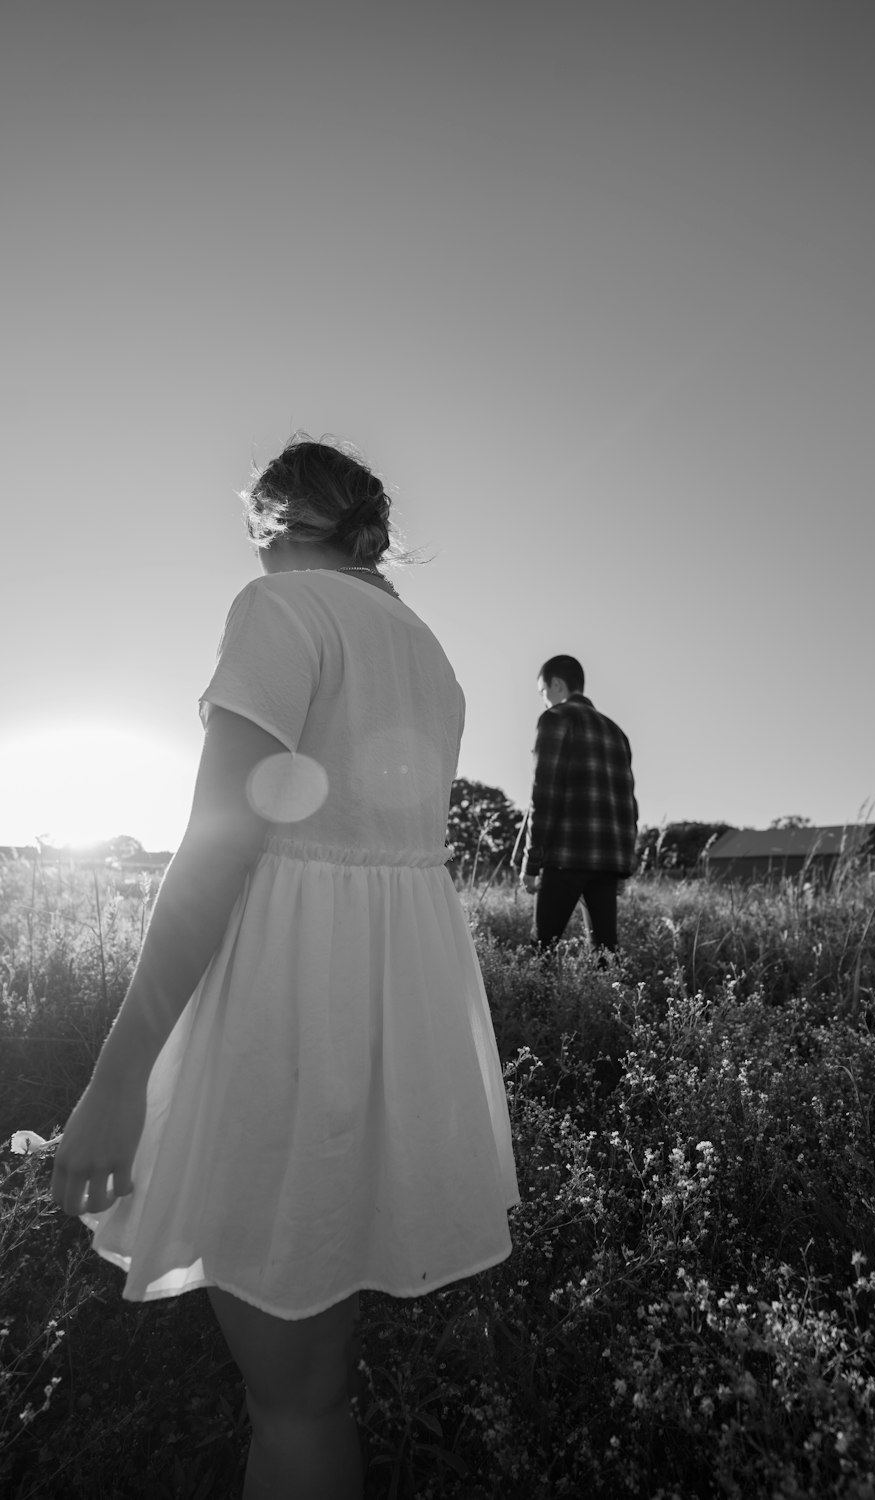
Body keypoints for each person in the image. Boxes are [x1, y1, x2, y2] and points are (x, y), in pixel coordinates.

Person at [50, 435, 520, 1500]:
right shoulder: (426, 651)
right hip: (388, 1020)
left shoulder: (280, 612)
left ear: (272, 520)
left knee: (294, 1401)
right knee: (311, 1392)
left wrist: (119, 1079)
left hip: (281, 1011)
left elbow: (222, 843)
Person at [520, 655, 638, 954]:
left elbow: (543, 794)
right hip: (607, 862)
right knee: (605, 957)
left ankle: (537, 1002)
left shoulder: (555, 719)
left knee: (541, 952)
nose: (544, 701)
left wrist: (531, 862)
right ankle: (608, 1001)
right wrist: (624, 867)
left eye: (542, 693)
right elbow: (628, 805)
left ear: (556, 684)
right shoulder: (616, 732)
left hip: (564, 857)